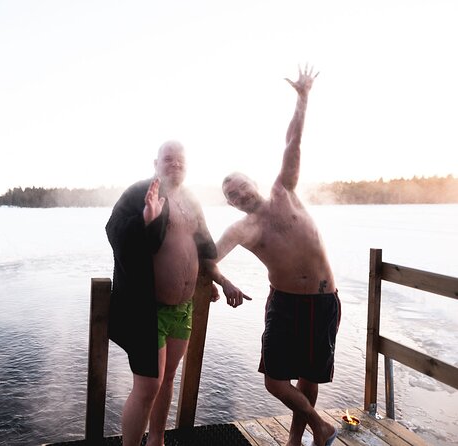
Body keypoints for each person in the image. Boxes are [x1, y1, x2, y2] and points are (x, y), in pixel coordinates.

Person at [216, 66, 340, 446]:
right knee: (275, 381)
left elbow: (293, 143)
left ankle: (297, 440)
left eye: (241, 187)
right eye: (232, 196)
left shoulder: (284, 191)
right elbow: (208, 258)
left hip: (323, 300)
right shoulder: (242, 229)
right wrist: (225, 282)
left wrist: (303, 98)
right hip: (285, 305)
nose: (240, 195)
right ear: (231, 205)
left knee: (310, 377)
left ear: (253, 182)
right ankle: (321, 426)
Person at [105, 140, 246, 446]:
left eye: (180, 160)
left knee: (167, 380)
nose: (175, 164)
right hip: (147, 309)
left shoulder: (192, 201)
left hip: (183, 309)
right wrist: (145, 219)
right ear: (156, 162)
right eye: (168, 159)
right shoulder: (138, 193)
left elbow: (203, 250)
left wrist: (222, 280)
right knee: (147, 386)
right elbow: (114, 231)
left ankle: (157, 440)